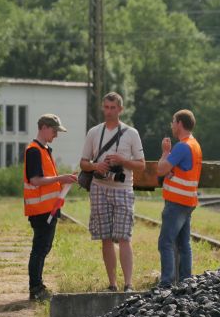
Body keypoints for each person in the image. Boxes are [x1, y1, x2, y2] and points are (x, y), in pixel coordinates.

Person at [80, 92, 145, 292]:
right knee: (106, 237)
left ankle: (128, 284)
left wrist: (122, 161)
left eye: (113, 108)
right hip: (99, 188)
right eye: (106, 107)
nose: (109, 112)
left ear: (120, 109)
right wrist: (96, 167)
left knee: (124, 236)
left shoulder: (131, 133)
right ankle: (112, 284)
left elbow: (141, 165)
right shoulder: (93, 132)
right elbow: (83, 162)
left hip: (123, 190)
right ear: (103, 108)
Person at [24, 114, 77, 301]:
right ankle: (36, 288)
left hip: (48, 208)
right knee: (40, 249)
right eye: (54, 131)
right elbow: (36, 180)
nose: (56, 134)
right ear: (44, 127)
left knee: (44, 248)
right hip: (40, 210)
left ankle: (38, 286)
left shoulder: (45, 149)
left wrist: (62, 184)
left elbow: (46, 180)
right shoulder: (34, 151)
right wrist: (60, 179)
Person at [156, 109, 203, 288]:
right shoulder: (195, 145)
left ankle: (167, 282)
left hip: (177, 202)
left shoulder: (182, 146)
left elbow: (161, 169)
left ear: (180, 124)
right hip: (188, 201)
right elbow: (183, 170)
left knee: (165, 242)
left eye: (173, 122)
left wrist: (165, 152)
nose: (172, 125)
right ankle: (186, 280)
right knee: (184, 243)